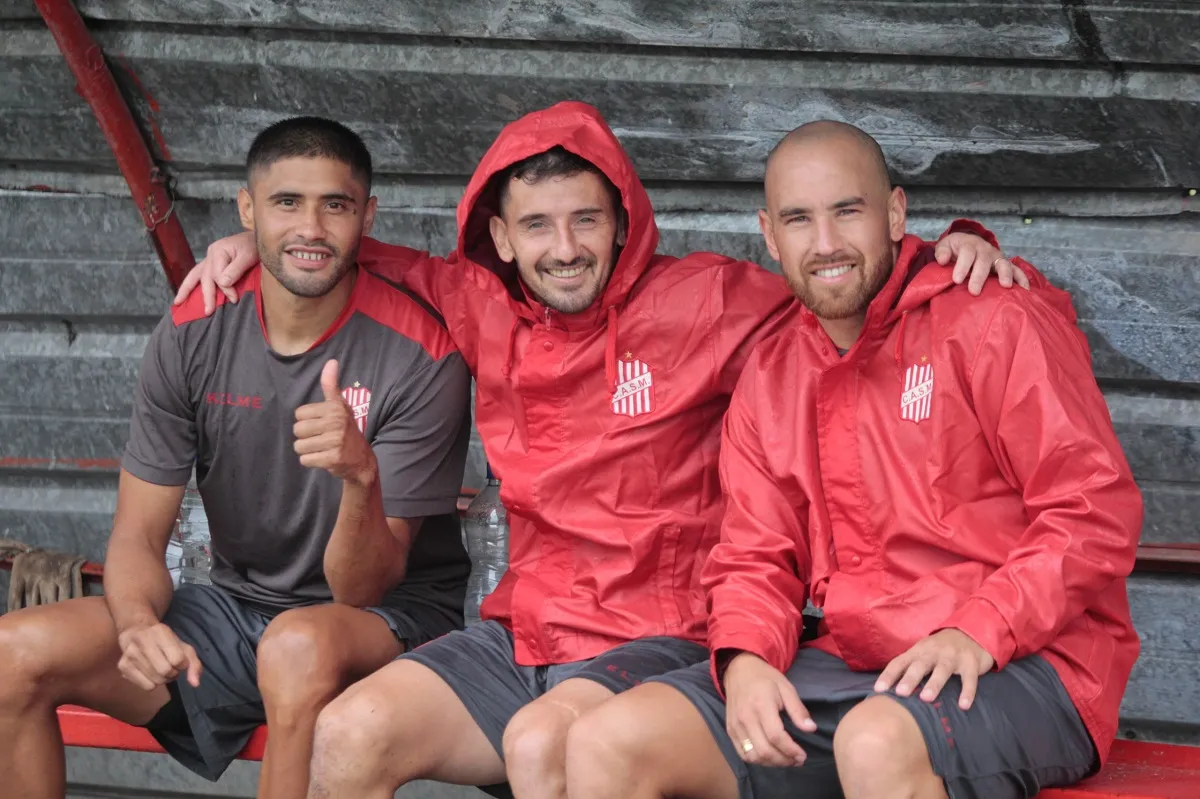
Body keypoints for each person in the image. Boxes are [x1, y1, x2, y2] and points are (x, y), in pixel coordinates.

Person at [175, 102, 1027, 799]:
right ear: (501, 241)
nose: (566, 246)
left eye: (586, 218)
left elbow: (840, 275)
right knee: (350, 732)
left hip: (663, 635)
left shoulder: (706, 299)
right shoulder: (480, 302)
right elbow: (349, 253)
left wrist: (955, 244)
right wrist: (257, 246)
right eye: (538, 226)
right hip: (527, 632)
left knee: (546, 743)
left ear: (621, 223)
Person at [562, 121, 1143, 799]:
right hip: (856, 661)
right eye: (799, 220)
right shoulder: (775, 370)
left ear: (895, 213)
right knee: (606, 741)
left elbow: (1092, 510)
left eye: (848, 210)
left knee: (873, 742)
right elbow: (754, 552)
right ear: (769, 234)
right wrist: (746, 658)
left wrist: (980, 628)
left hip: (1031, 663)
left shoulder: (995, 320)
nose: (827, 243)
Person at [0, 116, 473, 799]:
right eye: (286, 202)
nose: (310, 227)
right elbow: (137, 533)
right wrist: (135, 625)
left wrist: (360, 475)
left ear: (367, 216)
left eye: (334, 204)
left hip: (383, 624)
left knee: (296, 643)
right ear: (247, 209)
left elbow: (363, 587)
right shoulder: (195, 325)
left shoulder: (420, 353)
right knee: (15, 652)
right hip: (234, 611)